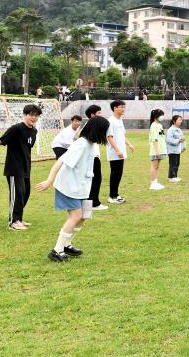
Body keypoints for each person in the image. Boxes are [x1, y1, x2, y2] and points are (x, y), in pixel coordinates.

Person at [36, 115, 110, 262]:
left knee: (85, 215)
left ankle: (67, 244)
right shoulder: (81, 144)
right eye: (105, 130)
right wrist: (49, 180)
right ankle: (57, 250)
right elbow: (61, 161)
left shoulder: (91, 144)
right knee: (76, 216)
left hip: (83, 187)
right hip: (69, 186)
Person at [0, 103, 42, 231]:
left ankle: (19, 218)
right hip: (14, 167)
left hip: (26, 166)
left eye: (36, 116)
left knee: (25, 193)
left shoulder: (34, 131)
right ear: (25, 115)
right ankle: (13, 221)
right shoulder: (16, 128)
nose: (34, 118)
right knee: (17, 193)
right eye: (31, 115)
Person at [106, 100, 135, 205]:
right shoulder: (111, 121)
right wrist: (117, 150)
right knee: (115, 174)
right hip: (114, 153)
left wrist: (129, 144)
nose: (123, 109)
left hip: (121, 152)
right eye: (121, 107)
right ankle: (111, 196)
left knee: (119, 174)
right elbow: (109, 137)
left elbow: (122, 135)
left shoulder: (120, 120)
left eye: (124, 107)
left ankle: (116, 194)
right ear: (115, 108)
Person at [82, 104, 106, 211]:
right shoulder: (91, 126)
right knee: (95, 180)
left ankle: (89, 205)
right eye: (99, 113)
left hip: (93, 157)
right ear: (92, 115)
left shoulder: (90, 126)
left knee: (92, 180)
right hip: (92, 158)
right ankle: (94, 203)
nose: (101, 115)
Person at [147, 109, 166, 190]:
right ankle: (153, 183)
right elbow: (154, 139)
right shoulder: (153, 125)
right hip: (156, 150)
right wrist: (157, 150)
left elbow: (162, 136)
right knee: (154, 166)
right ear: (156, 116)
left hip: (161, 148)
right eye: (161, 115)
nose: (162, 116)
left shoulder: (160, 125)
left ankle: (156, 182)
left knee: (157, 166)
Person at [166, 115, 185, 183]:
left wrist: (183, 146)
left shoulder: (179, 129)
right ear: (174, 121)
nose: (181, 121)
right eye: (179, 120)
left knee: (177, 163)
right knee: (173, 163)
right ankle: (172, 177)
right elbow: (169, 140)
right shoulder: (171, 130)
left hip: (178, 150)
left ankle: (175, 176)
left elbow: (183, 138)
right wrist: (178, 140)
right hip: (172, 150)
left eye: (181, 120)